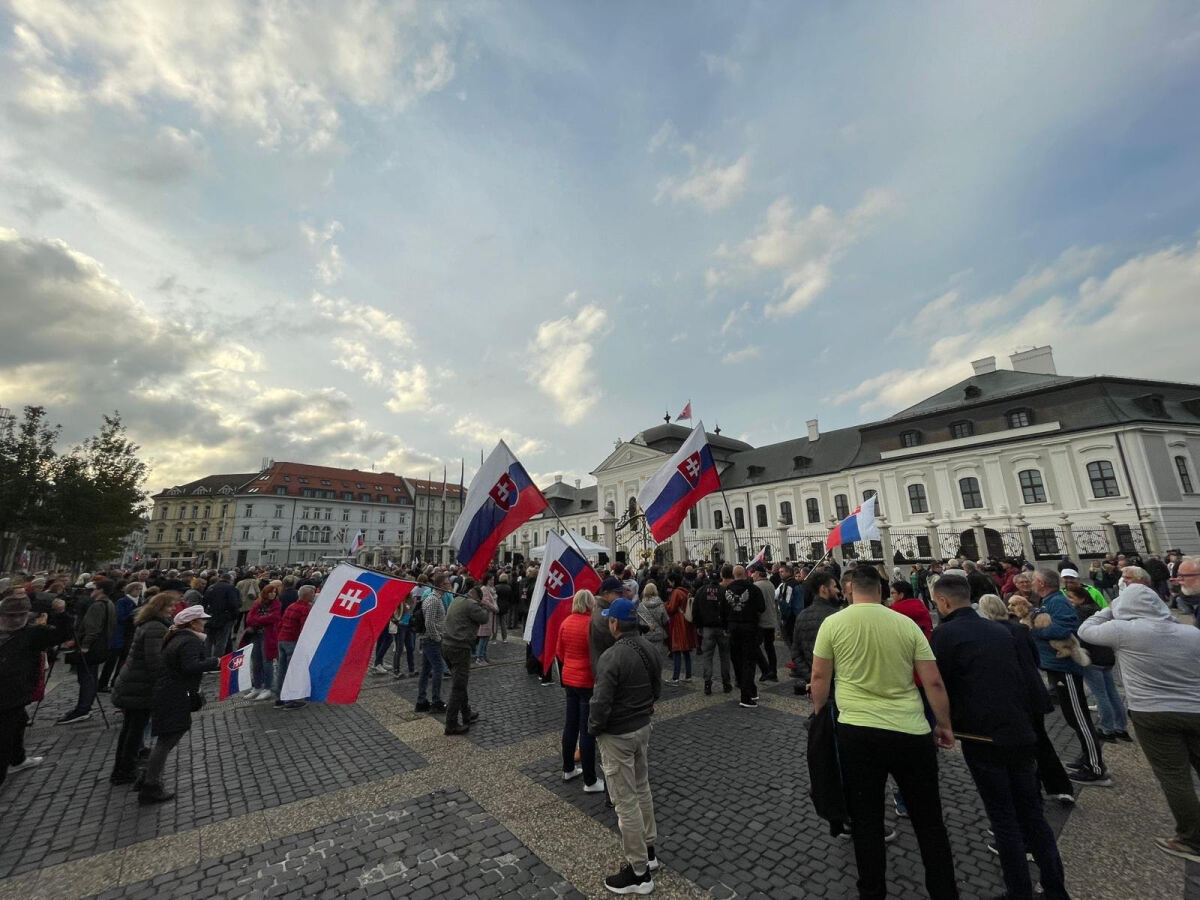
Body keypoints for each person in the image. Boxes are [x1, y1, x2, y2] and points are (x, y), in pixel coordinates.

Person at [810, 566, 958, 900]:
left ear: (849, 589)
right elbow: (933, 681)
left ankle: (872, 892)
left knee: (866, 820)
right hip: (910, 729)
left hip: (857, 732)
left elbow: (819, 677)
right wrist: (944, 724)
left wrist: (820, 714)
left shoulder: (833, 623)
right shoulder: (905, 624)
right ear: (880, 590)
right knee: (929, 821)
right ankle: (944, 891)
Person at [930, 574, 1070, 900]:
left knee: (1004, 819)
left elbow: (940, 684)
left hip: (982, 737)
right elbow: (1029, 680)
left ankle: (1019, 891)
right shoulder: (1003, 630)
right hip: (1021, 731)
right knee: (1033, 814)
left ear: (945, 602)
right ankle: (1055, 888)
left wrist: (943, 724)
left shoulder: (945, 635)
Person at [1079, 562, 1200, 863]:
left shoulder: (1124, 631)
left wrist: (1111, 607)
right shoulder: (1191, 634)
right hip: (1195, 709)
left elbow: (1086, 630)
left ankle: (1192, 838)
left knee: (1175, 777)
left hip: (1152, 712)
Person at [589, 596, 662, 895]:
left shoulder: (612, 656)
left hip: (618, 733)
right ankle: (650, 851)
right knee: (642, 788)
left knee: (625, 800)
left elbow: (600, 703)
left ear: (615, 623)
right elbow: (657, 690)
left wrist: (594, 729)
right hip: (642, 726)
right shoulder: (650, 648)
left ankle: (639, 872)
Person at [978, 595, 1074, 805]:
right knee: (1041, 740)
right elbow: (1035, 659)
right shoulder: (1020, 630)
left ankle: (1032, 793)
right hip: (1033, 691)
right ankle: (1060, 787)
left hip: (1013, 696)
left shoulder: (990, 634)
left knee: (1019, 747)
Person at [1029, 569, 1110, 786]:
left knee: (1079, 718)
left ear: (1043, 584)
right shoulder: (1048, 600)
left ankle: (1096, 768)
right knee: (1072, 717)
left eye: (1035, 580)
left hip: (1064, 666)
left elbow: (1066, 627)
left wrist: (1035, 632)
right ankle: (1087, 758)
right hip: (1055, 665)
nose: (1032, 583)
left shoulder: (1057, 602)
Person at [140, 605, 220, 804]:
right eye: (202, 620)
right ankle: (150, 784)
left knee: (169, 738)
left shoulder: (177, 637)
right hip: (174, 693)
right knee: (167, 740)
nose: (205, 623)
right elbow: (190, 666)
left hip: (169, 691)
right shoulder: (189, 641)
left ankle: (149, 774)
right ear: (192, 623)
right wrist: (215, 662)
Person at [0, 592, 71, 786]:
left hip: (13, 694)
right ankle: (14, 760)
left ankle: (18, 759)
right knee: (6, 736)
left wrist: (61, 613)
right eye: (10, 615)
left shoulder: (31, 634)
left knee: (16, 724)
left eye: (19, 615)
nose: (14, 620)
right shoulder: (25, 633)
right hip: (11, 694)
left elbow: (62, 634)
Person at [110, 590, 177, 784]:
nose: (173, 610)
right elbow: (155, 661)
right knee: (134, 731)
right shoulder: (156, 627)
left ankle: (122, 767)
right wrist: (166, 682)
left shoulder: (146, 623)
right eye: (170, 607)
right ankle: (125, 770)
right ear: (159, 608)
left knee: (130, 729)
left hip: (133, 683)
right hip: (140, 686)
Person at [1064, 584, 1129, 742]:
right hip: (1106, 655)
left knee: (1100, 695)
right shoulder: (1097, 609)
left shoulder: (1079, 613)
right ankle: (1121, 727)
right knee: (1112, 692)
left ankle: (1107, 729)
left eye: (1072, 598)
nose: (1069, 601)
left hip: (1092, 657)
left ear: (1082, 598)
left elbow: (1076, 634)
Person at [557, 589, 605, 793]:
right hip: (586, 681)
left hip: (569, 679)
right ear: (589, 604)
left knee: (570, 725)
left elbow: (559, 651)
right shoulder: (591, 625)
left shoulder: (566, 622)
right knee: (587, 731)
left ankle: (568, 768)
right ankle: (590, 780)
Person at [57, 584, 116, 725]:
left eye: (93, 589)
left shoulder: (98, 606)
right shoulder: (109, 604)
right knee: (91, 676)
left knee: (86, 677)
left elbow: (92, 629)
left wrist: (85, 645)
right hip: (102, 644)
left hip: (92, 646)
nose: (91, 592)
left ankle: (83, 708)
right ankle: (85, 707)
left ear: (100, 590)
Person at [441, 587, 489, 735]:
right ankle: (451, 723)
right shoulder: (472, 604)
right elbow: (484, 618)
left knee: (459, 682)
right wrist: (483, 605)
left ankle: (466, 712)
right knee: (458, 686)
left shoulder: (457, 600)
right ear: (476, 597)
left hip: (446, 645)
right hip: (459, 647)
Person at [790, 570, 842, 696]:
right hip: (839, 683)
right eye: (834, 587)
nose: (838, 591)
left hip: (816, 683)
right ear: (823, 589)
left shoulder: (802, 615)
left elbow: (796, 653)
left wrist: (811, 677)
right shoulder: (838, 616)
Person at [722, 564, 764, 709]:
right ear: (745, 574)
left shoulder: (727, 589)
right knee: (749, 661)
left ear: (734, 575)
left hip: (733, 628)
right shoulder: (753, 589)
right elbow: (761, 608)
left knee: (737, 659)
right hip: (749, 627)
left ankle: (749, 689)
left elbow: (723, 610)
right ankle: (746, 696)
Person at [272, 584, 313, 710]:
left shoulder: (291, 606)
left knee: (282, 670)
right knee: (293, 671)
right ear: (307, 596)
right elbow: (304, 628)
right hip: (293, 641)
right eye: (312, 594)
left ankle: (280, 698)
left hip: (282, 639)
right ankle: (290, 700)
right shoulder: (304, 608)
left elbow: (281, 622)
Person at [691, 570, 731, 695]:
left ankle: (707, 683)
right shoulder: (724, 591)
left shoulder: (701, 591)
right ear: (719, 578)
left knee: (707, 656)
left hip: (707, 628)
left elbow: (695, 610)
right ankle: (726, 683)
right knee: (724, 656)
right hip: (722, 628)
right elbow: (728, 610)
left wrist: (698, 625)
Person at [98, 582, 141, 692]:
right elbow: (120, 617)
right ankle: (102, 683)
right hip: (120, 634)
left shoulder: (140, 602)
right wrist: (133, 614)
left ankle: (116, 682)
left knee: (124, 661)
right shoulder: (123, 601)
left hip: (131, 634)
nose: (138, 591)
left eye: (140, 589)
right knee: (111, 661)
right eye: (136, 589)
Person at [415, 575, 449, 714]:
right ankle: (436, 701)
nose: (449, 586)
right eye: (447, 584)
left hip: (430, 639)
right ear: (441, 585)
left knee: (426, 670)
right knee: (438, 669)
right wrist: (437, 638)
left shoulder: (437, 599)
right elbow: (429, 622)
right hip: (431, 640)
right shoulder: (433, 600)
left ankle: (421, 700)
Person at [244, 582, 281, 701]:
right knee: (256, 661)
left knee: (267, 661)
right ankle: (257, 686)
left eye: (275, 592)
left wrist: (257, 620)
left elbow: (274, 618)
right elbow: (249, 618)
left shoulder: (276, 604)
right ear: (265, 593)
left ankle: (268, 687)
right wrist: (261, 620)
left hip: (268, 635)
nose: (273, 594)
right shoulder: (257, 603)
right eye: (271, 592)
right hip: (255, 635)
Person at [664, 575, 696, 684]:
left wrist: (665, 605)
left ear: (673, 581)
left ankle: (675, 677)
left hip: (678, 623)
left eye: (669, 581)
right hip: (686, 622)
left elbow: (671, 608)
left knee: (677, 650)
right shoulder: (685, 591)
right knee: (686, 651)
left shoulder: (676, 592)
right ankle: (688, 675)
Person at [752, 564, 780, 681]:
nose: (752, 575)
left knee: (755, 647)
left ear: (758, 574)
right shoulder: (770, 584)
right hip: (771, 620)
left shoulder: (756, 586)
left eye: (754, 573)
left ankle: (765, 669)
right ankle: (773, 671)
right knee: (770, 647)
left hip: (761, 622)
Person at [636, 582, 670, 670]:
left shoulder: (640, 605)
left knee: (646, 657)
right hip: (658, 633)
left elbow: (638, 621)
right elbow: (665, 620)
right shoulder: (660, 605)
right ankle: (657, 677)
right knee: (657, 658)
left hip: (646, 634)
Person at [392, 582, 420, 678]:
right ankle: (396, 671)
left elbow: (411, 610)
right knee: (399, 649)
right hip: (401, 626)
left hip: (408, 626)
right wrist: (396, 621)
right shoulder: (398, 599)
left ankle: (411, 669)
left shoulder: (411, 599)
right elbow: (391, 613)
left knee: (410, 647)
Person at [474, 574, 500, 664]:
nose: (493, 581)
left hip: (490, 616)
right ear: (487, 580)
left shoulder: (491, 590)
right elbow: (485, 602)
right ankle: (479, 657)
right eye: (491, 580)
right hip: (486, 616)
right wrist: (495, 608)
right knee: (483, 637)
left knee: (487, 637)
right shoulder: (484, 589)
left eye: (493, 579)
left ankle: (484, 655)